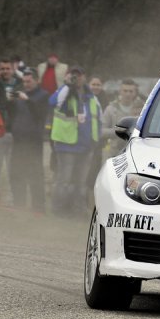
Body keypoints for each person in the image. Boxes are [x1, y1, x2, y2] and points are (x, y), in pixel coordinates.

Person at [49, 66, 100, 216]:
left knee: (81, 182)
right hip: (66, 145)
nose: (76, 78)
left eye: (79, 75)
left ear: (84, 77)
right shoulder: (64, 92)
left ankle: (78, 210)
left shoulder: (91, 97)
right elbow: (52, 102)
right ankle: (58, 210)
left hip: (86, 145)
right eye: (73, 75)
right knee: (63, 180)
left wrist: (95, 140)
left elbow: (98, 119)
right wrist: (67, 85)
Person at [8, 68, 49, 213]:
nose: (26, 84)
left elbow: (39, 114)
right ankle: (19, 204)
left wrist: (27, 100)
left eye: (29, 81)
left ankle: (38, 207)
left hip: (33, 142)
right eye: (24, 81)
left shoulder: (43, 95)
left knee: (35, 174)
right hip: (18, 140)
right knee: (16, 172)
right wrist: (11, 102)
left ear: (37, 80)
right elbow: (13, 115)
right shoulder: (20, 95)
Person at [0, 58, 20, 185]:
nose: (5, 71)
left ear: (12, 70)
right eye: (2, 69)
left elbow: (25, 96)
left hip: (15, 130)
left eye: (8, 68)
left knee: (14, 166)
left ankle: (15, 193)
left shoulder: (19, 83)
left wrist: (13, 97)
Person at [100, 78, 145, 158]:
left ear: (135, 93)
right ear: (120, 91)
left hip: (135, 153)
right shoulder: (111, 109)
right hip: (114, 153)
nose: (128, 94)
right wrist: (119, 132)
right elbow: (101, 131)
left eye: (131, 91)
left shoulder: (142, 109)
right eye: (125, 91)